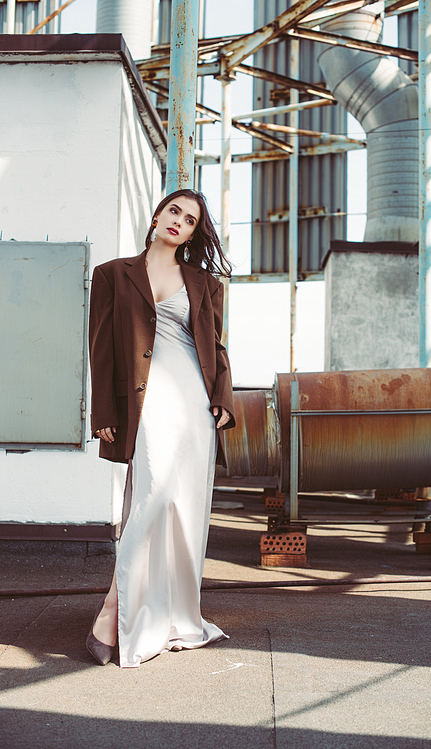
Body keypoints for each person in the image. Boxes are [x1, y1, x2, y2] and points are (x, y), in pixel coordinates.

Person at [86, 189, 235, 668]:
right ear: (156, 215)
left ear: (193, 233)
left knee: (183, 508)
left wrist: (223, 401)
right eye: (175, 211)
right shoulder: (112, 274)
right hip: (145, 400)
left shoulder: (204, 283)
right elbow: (102, 349)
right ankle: (115, 606)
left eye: (190, 220)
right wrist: (104, 413)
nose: (179, 221)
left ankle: (163, 614)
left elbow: (216, 349)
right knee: (151, 500)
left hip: (194, 402)